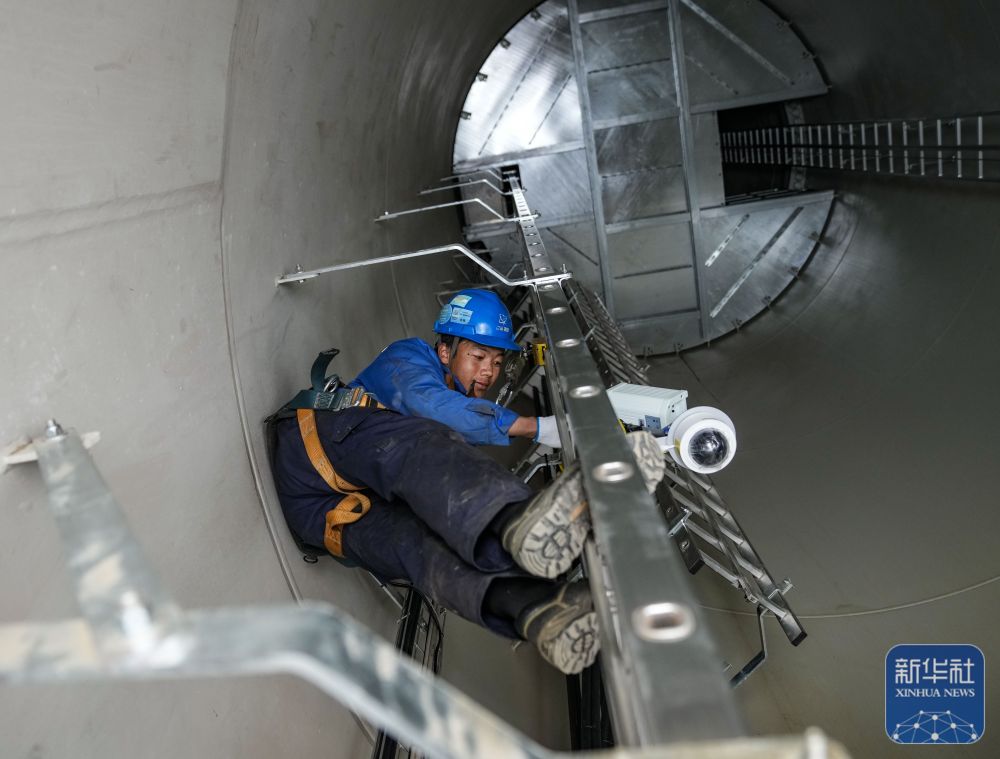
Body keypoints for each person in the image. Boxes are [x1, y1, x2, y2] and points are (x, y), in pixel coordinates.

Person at [271, 289, 663, 674]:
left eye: (497, 361)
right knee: (424, 442)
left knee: (426, 551)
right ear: (446, 351)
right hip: (312, 444)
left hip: (322, 516)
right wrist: (538, 427)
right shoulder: (408, 357)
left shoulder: (456, 405)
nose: (489, 372)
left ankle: (539, 610)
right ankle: (516, 519)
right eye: (478, 357)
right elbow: (428, 405)